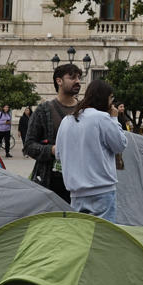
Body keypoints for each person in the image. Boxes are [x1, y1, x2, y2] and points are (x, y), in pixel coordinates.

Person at [55, 78, 126, 221]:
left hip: (76, 192)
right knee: (102, 237)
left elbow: (58, 154)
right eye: (111, 98)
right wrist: (114, 119)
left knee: (81, 237)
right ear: (104, 98)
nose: (112, 103)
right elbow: (120, 144)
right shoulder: (102, 118)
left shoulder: (67, 120)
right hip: (102, 190)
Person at [22, 62, 84, 201]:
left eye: (79, 78)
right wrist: (52, 150)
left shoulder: (85, 110)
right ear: (59, 81)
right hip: (50, 182)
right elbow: (28, 146)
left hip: (81, 183)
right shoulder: (43, 110)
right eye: (72, 77)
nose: (78, 81)